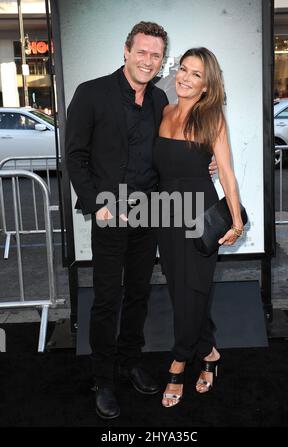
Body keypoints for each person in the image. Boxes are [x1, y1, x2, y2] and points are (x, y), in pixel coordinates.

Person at [66, 23, 216, 419]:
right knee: (106, 298)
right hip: (109, 212)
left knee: (138, 294)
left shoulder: (157, 103)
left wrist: (202, 159)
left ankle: (130, 362)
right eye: (142, 52)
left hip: (150, 212)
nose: (149, 61)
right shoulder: (91, 93)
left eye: (156, 55)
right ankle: (104, 378)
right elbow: (76, 156)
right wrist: (96, 202)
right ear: (127, 50)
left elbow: (168, 151)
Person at [153, 47, 244, 407]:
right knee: (182, 291)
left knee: (192, 291)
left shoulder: (212, 117)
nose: (185, 79)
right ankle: (210, 353)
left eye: (196, 75)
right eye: (184, 70)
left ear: (207, 86)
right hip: (164, 214)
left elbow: (226, 173)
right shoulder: (163, 111)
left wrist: (236, 222)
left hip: (199, 215)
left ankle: (179, 361)